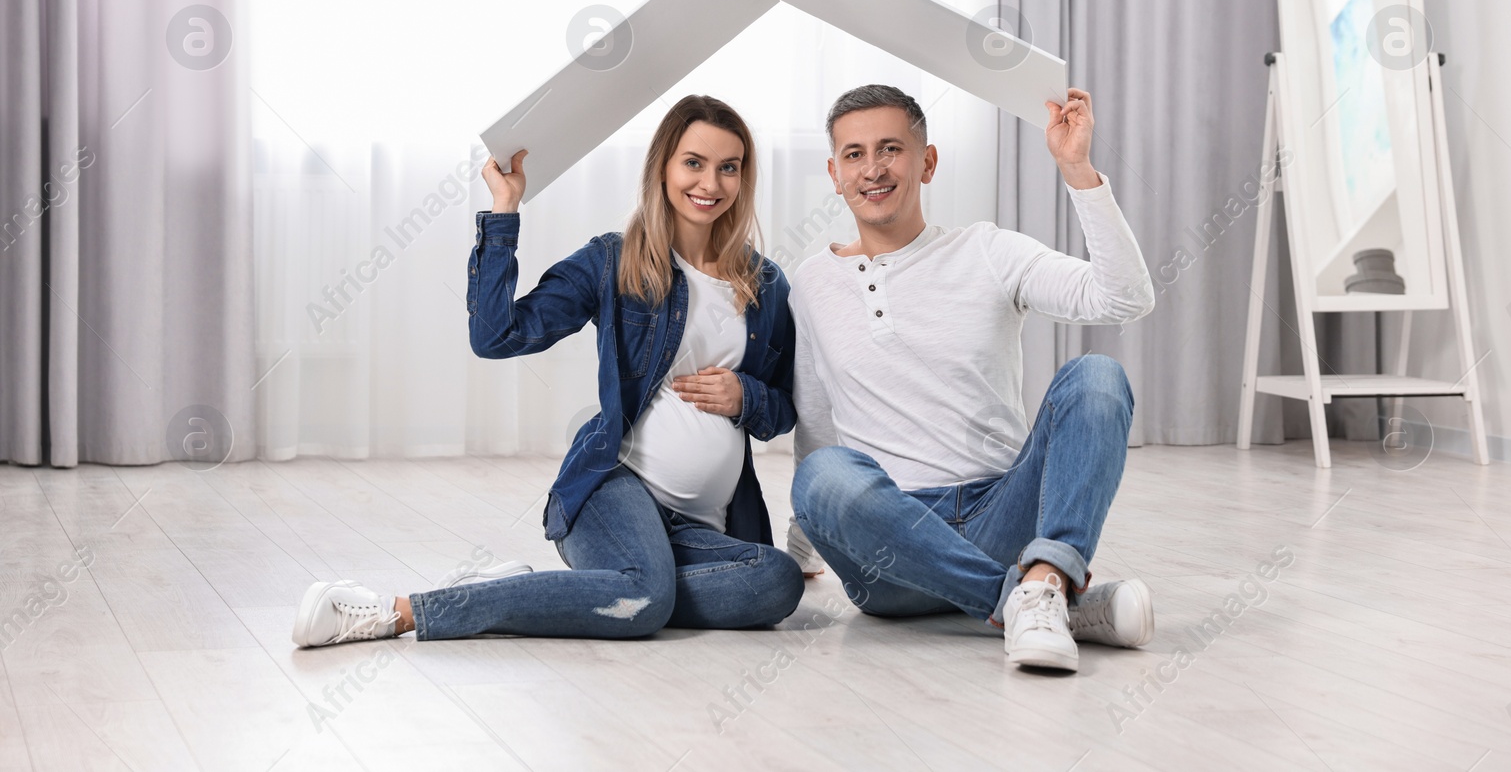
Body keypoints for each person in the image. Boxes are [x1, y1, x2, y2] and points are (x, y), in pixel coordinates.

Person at [292, 95, 804, 648]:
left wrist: (745, 396)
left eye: (729, 167)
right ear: (663, 167)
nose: (711, 182)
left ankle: (588, 591)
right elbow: (496, 337)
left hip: (706, 529)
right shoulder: (614, 260)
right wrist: (505, 211)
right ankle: (400, 611)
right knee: (645, 602)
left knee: (776, 581)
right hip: (613, 490)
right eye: (694, 162)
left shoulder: (764, 284)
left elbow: (780, 414)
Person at [787, 84, 1157, 671]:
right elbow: (814, 418)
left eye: (891, 149)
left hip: (1000, 514)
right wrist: (804, 544)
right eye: (854, 155)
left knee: (1098, 376)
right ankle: (1040, 598)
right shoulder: (809, 282)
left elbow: (1125, 299)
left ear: (926, 162)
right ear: (834, 173)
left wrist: (1077, 168)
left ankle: (1042, 580)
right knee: (821, 473)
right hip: (890, 551)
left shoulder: (988, 251)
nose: (873, 168)